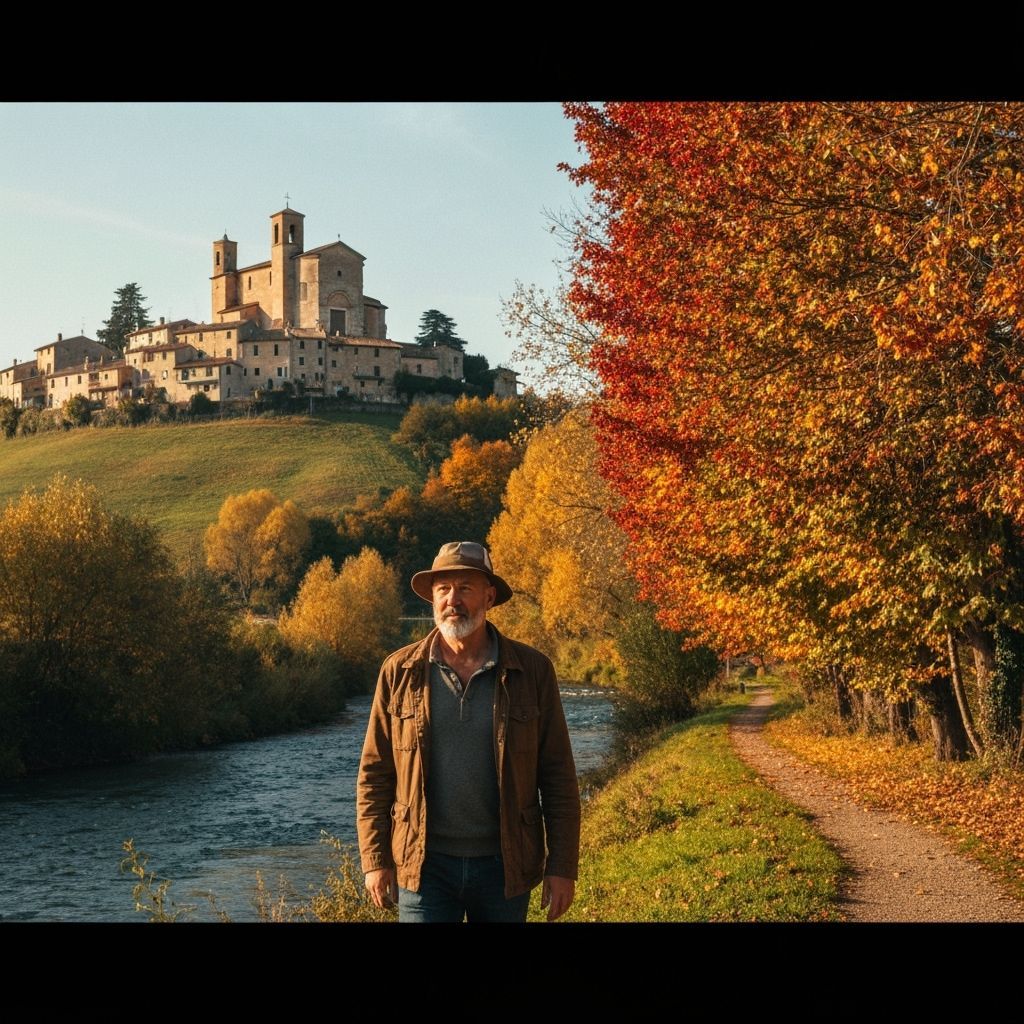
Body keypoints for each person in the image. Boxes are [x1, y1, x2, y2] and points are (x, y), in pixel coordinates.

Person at [356, 540, 581, 923]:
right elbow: (375, 774)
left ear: (489, 596)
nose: (452, 600)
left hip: (505, 865)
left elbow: (557, 775)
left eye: (465, 588)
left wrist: (562, 866)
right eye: (443, 589)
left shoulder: (533, 671)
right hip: (423, 865)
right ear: (432, 598)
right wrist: (375, 860)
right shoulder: (399, 672)